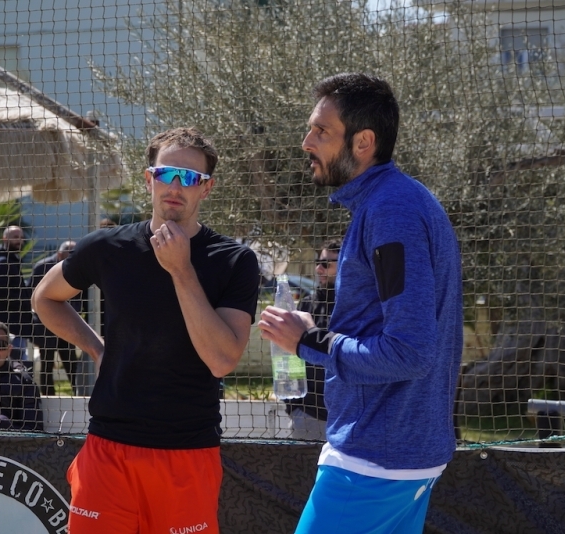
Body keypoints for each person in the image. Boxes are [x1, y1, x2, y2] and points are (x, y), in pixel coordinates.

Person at [258, 73, 463, 534]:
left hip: (375, 460)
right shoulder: (396, 202)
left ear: (364, 141)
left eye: (321, 131)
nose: (306, 141)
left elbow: (409, 352)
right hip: (399, 455)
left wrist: (307, 339)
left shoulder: (392, 211)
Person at [32, 127, 260, 534]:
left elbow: (223, 359)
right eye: (166, 173)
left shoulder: (234, 261)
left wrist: (181, 269)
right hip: (107, 449)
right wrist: (96, 348)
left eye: (189, 178)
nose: (175, 186)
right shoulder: (108, 247)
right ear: (149, 178)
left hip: (186, 453)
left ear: (206, 189)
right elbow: (45, 298)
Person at [284, 239, 341, 440]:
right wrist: (294, 407)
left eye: (326, 264)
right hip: (309, 416)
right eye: (318, 262)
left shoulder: (356, 307)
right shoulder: (307, 306)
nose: (318, 269)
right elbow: (290, 355)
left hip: (348, 418)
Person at [28, 240, 81, 395]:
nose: (74, 256)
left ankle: (79, 393)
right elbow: (32, 295)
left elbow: (81, 296)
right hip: (45, 324)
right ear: (59, 254)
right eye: (70, 253)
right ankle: (47, 396)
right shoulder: (42, 267)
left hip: (68, 322)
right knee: (47, 363)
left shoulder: (77, 267)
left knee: (71, 361)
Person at [0, 321, 44, 431]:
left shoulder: (23, 381)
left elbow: (33, 428)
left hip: (9, 444)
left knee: (0, 421)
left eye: (0, 345)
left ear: (9, 350)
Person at [0, 225, 34, 360]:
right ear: (4, 238)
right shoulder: (3, 262)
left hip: (17, 322)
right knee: (17, 360)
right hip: (13, 323)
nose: (19, 240)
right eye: (15, 237)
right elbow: (2, 293)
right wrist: (23, 302)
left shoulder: (10, 260)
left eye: (21, 237)